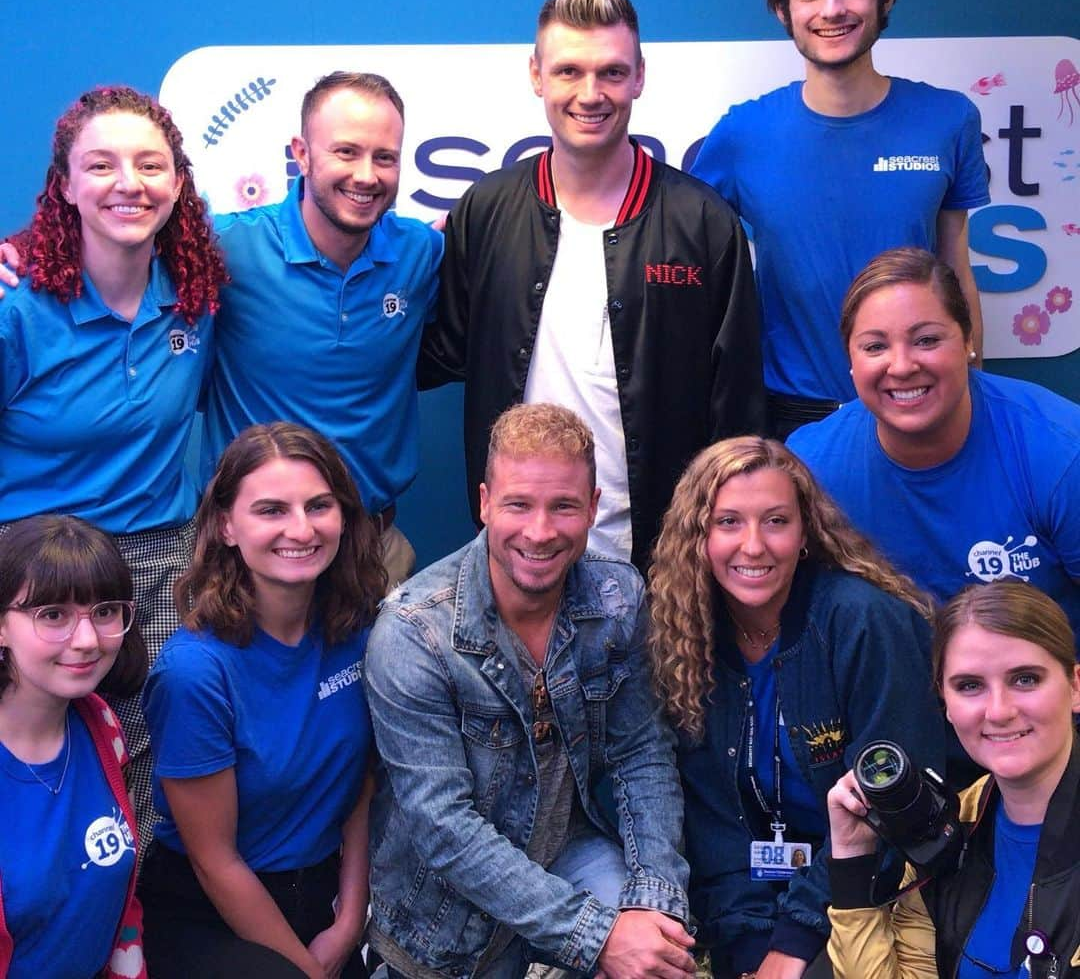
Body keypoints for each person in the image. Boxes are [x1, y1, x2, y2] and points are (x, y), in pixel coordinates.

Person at [1, 71, 443, 587]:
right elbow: (117, 229)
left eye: (384, 157)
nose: (365, 174)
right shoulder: (225, 254)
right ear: (301, 153)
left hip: (369, 549)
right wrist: (19, 253)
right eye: (345, 152)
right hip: (232, 561)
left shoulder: (419, 253)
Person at [420, 0, 765, 572]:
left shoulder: (703, 222)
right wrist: (389, 262)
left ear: (639, 76)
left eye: (610, 72)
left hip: (660, 564)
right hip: (520, 553)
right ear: (536, 75)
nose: (590, 93)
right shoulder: (486, 210)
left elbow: (737, 413)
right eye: (568, 71)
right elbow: (435, 355)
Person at [364, 403, 695, 978]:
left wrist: (652, 904)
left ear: (593, 508)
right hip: (443, 915)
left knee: (656, 961)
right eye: (519, 504)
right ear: (486, 502)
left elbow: (642, 753)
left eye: (563, 506)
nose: (540, 532)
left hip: (569, 851)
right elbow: (446, 829)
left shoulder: (617, 598)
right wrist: (597, 937)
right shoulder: (415, 630)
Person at [0, 85, 227, 837]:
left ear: (177, 183)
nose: (128, 183)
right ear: (63, 185)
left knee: (142, 759)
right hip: (30, 567)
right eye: (100, 165)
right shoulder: (16, 305)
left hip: (158, 562)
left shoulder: (199, 296)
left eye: (150, 165)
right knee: (28, 757)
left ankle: (131, 923)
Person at [648, 437, 945, 979]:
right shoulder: (685, 635)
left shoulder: (862, 623)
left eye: (776, 521)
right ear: (698, 537)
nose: (754, 545)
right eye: (729, 522)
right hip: (750, 910)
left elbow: (893, 811)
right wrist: (747, 944)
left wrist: (791, 945)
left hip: (873, 894)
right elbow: (716, 826)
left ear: (805, 531)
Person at [692, 0, 989, 437]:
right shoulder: (742, 134)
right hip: (791, 419)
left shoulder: (949, 119)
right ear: (782, 8)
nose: (832, 9)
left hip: (918, 402)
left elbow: (957, 271)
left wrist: (973, 395)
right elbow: (693, 269)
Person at [140, 422, 384, 978]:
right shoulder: (194, 672)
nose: (301, 528)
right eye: (271, 510)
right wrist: (307, 971)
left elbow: (360, 789)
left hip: (324, 895)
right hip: (212, 913)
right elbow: (215, 860)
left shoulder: (359, 633)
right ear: (226, 525)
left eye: (319, 505)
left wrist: (349, 920)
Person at [787, 248, 1080, 637]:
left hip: (1035, 688)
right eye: (875, 346)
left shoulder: (1060, 451)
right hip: (888, 688)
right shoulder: (810, 466)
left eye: (926, 340)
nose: (903, 366)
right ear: (851, 363)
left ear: (968, 341)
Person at [826, 581, 1080, 978]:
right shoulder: (949, 829)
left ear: (1075, 686)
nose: (998, 711)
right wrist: (853, 864)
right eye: (970, 686)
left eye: (1025, 679)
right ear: (945, 704)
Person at [0, 514, 149, 978]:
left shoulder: (100, 725)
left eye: (104, 611)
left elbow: (115, 910)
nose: (87, 641)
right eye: (53, 614)